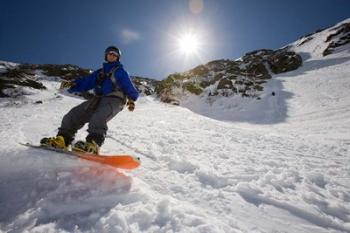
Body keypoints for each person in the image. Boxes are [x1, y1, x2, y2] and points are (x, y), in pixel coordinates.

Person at [40, 46, 139, 154]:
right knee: (74, 114)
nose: (112, 56)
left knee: (99, 116)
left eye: (115, 55)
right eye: (110, 54)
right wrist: (73, 84)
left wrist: (131, 98)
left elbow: (128, 85)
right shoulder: (99, 73)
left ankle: (93, 144)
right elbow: (86, 82)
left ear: (117, 58)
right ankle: (63, 140)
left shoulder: (120, 71)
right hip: (99, 99)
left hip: (115, 99)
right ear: (106, 55)